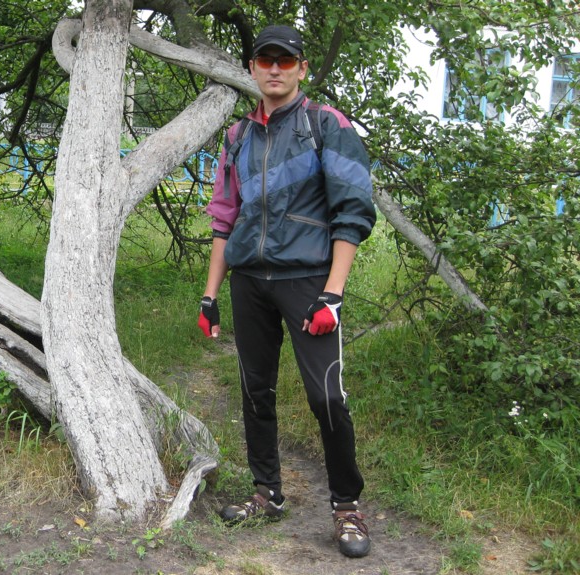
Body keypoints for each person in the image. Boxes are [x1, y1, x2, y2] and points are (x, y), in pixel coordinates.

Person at [198, 24, 377, 559]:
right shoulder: (237, 137)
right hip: (250, 281)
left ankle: (347, 507)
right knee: (256, 392)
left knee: (327, 396)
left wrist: (333, 294)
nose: (274, 69)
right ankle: (267, 494)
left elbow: (353, 213)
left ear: (302, 68)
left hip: (308, 281)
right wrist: (210, 296)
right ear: (253, 68)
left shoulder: (327, 125)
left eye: (285, 60)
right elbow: (225, 218)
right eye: (265, 60)